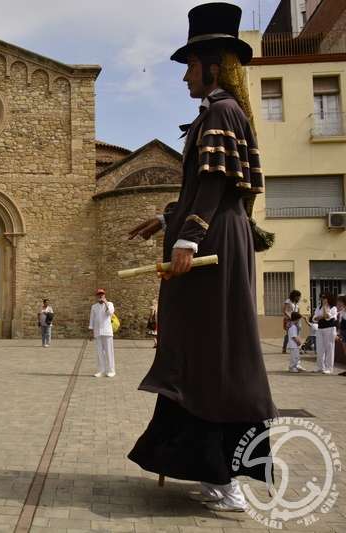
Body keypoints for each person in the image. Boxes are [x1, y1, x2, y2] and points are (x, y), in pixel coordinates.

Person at [125, 3, 277, 513]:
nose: (185, 76)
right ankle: (208, 468)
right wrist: (168, 219)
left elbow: (215, 184)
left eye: (191, 65)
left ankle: (228, 479)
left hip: (215, 244)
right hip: (214, 235)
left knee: (216, 352)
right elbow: (208, 188)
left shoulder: (221, 111)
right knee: (196, 349)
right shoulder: (216, 112)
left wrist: (188, 238)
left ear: (213, 66)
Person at [88, 289, 115, 377]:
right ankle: (101, 370)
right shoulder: (94, 307)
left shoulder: (109, 304)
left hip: (107, 331)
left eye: (102, 294)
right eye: (99, 294)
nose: (100, 296)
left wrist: (105, 303)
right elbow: (92, 319)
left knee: (109, 352)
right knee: (100, 352)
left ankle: (111, 370)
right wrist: (91, 332)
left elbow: (110, 312)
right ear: (96, 296)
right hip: (98, 331)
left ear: (104, 295)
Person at [312, 291, 338, 374]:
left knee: (329, 347)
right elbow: (314, 318)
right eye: (322, 297)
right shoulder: (318, 308)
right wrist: (322, 316)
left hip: (329, 328)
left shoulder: (333, 308)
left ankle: (329, 367)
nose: (323, 299)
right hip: (320, 328)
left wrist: (325, 307)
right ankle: (320, 366)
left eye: (324, 297)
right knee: (320, 348)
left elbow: (327, 316)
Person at [281, 290, 301, 354]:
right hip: (289, 319)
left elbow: (299, 311)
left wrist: (300, 316)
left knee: (298, 332)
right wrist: (291, 317)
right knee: (289, 334)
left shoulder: (298, 303)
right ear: (294, 296)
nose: (299, 297)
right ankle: (284, 347)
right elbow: (285, 311)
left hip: (297, 319)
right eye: (297, 296)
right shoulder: (288, 301)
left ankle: (298, 346)